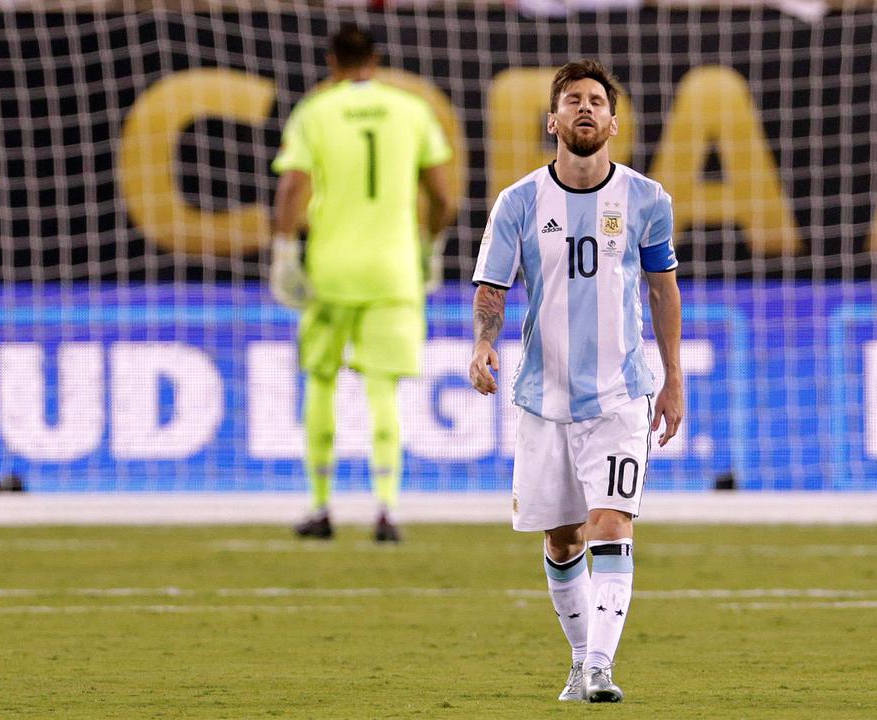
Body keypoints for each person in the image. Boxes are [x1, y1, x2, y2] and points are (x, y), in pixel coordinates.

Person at [468, 59, 683, 704]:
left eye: (596, 101)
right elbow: (492, 287)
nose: (585, 109)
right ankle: (579, 659)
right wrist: (483, 343)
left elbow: (662, 290)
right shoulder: (519, 202)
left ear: (614, 122)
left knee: (611, 524)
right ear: (553, 121)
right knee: (561, 541)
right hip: (543, 399)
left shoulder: (648, 200)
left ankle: (598, 669)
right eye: (573, 102)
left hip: (620, 396)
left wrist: (674, 379)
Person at [270, 25, 453, 543]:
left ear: (331, 61)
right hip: (395, 270)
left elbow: (292, 188)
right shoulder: (412, 110)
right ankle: (386, 510)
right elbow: (442, 197)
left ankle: (321, 506)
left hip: (331, 270)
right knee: (383, 392)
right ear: (376, 58)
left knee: (322, 383)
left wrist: (284, 252)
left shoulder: (315, 111)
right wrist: (430, 246)